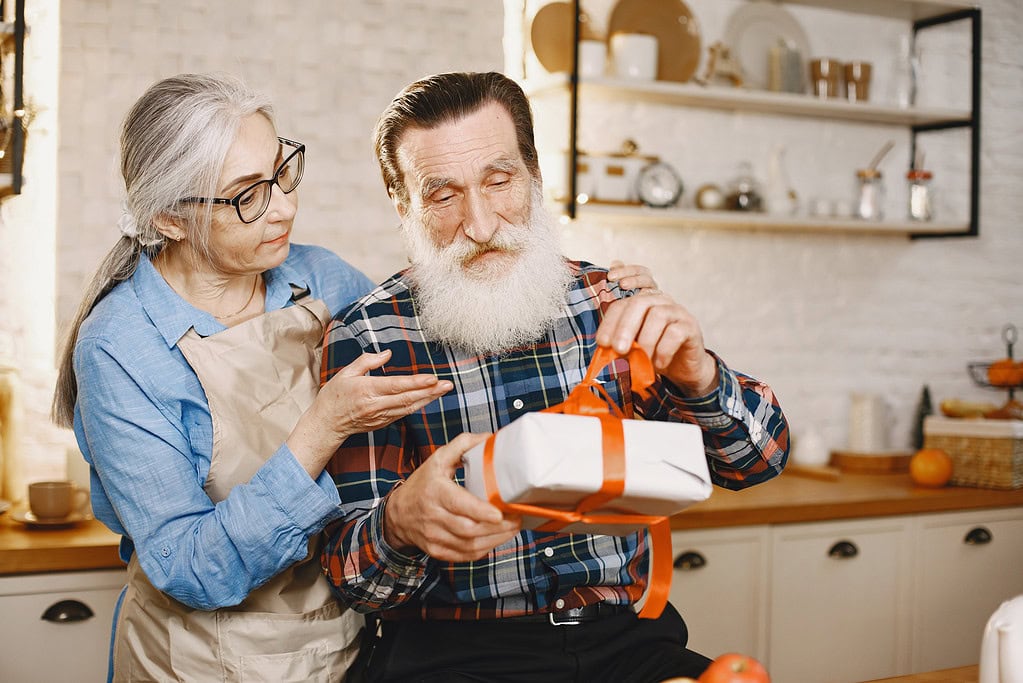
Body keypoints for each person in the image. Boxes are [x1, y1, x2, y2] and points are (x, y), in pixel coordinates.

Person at [320, 71, 790, 682]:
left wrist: (698, 375)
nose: (482, 224)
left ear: (534, 177)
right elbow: (357, 585)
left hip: (627, 643)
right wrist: (399, 524)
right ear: (403, 205)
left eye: (499, 180)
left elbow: (758, 461)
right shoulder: (369, 337)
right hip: (453, 656)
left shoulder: (612, 302)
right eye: (443, 196)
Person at [49, 73, 456, 681]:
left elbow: (449, 354)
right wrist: (323, 426)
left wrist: (612, 297)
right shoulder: (120, 347)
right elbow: (192, 567)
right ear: (169, 219)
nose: (285, 207)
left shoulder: (320, 279)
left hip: (341, 650)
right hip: (195, 663)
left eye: (281, 172)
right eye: (248, 195)